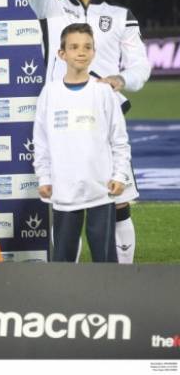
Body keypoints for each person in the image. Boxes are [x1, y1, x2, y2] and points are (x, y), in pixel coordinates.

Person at [26, 0, 151, 263]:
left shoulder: (120, 14)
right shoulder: (50, 6)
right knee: (67, 205)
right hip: (62, 119)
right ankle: (71, 280)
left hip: (104, 116)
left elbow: (141, 66)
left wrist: (120, 79)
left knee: (118, 201)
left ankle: (121, 279)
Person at [33, 23, 130, 263]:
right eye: (74, 47)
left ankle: (108, 289)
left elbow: (119, 138)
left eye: (87, 47)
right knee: (63, 259)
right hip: (64, 188)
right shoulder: (50, 92)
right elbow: (41, 139)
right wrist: (44, 177)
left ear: (94, 52)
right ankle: (65, 290)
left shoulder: (104, 92)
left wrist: (119, 175)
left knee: (105, 259)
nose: (81, 52)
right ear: (61, 53)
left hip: (101, 187)